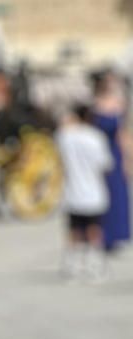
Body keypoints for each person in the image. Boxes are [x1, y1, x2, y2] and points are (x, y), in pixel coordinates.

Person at [57, 100, 115, 280]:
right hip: (93, 192)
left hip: (72, 192)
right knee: (94, 229)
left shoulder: (66, 136)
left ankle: (73, 267)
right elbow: (106, 165)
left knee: (74, 231)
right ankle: (94, 266)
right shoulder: (96, 137)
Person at [91, 70, 130, 254]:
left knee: (117, 195)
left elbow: (123, 133)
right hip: (99, 150)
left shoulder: (119, 103)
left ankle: (115, 236)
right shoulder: (94, 103)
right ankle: (101, 235)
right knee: (101, 195)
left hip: (115, 152)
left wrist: (128, 157)